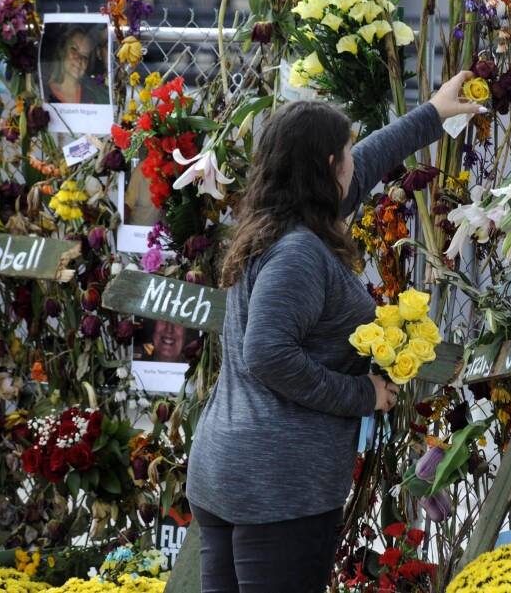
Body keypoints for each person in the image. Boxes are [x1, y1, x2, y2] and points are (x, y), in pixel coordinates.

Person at [185, 71, 485, 593]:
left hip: (233, 472)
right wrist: (361, 393)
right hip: (277, 485)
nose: (354, 161)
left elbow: (367, 161)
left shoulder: (281, 219)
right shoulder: (299, 251)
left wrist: (433, 114)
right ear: (327, 166)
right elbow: (267, 354)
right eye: (344, 152)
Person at [45, 25, 109, 105]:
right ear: (61, 52)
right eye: (74, 49)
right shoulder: (43, 93)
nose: (79, 59)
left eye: (85, 56)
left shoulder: (92, 97)